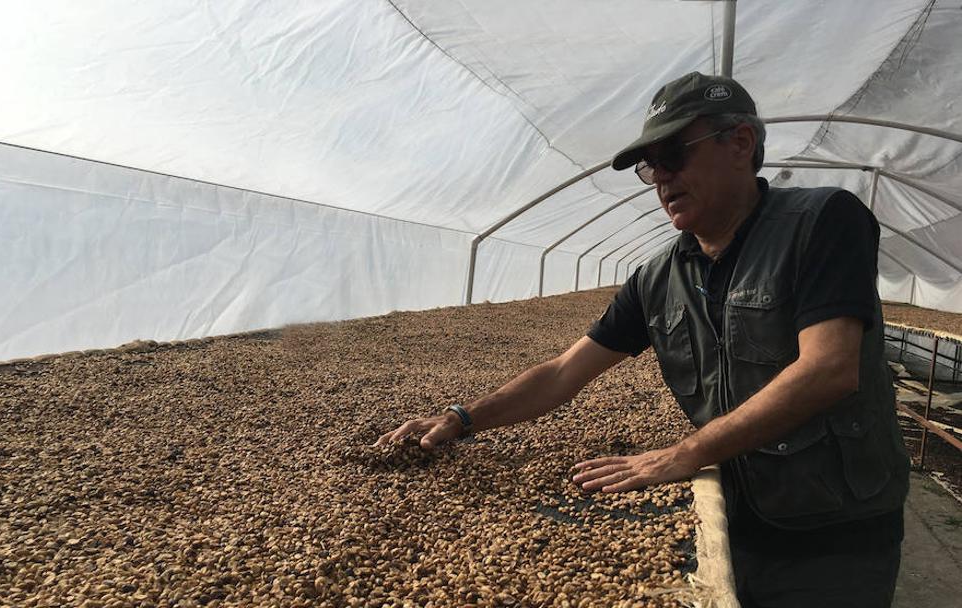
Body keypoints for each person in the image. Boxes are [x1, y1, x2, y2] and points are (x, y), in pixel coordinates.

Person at [375, 72, 910, 608]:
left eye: (674, 154)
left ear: (741, 143)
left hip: (838, 530)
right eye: (650, 166)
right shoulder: (657, 278)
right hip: (738, 505)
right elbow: (565, 372)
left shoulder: (820, 222)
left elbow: (829, 368)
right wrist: (462, 418)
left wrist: (684, 453)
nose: (661, 179)